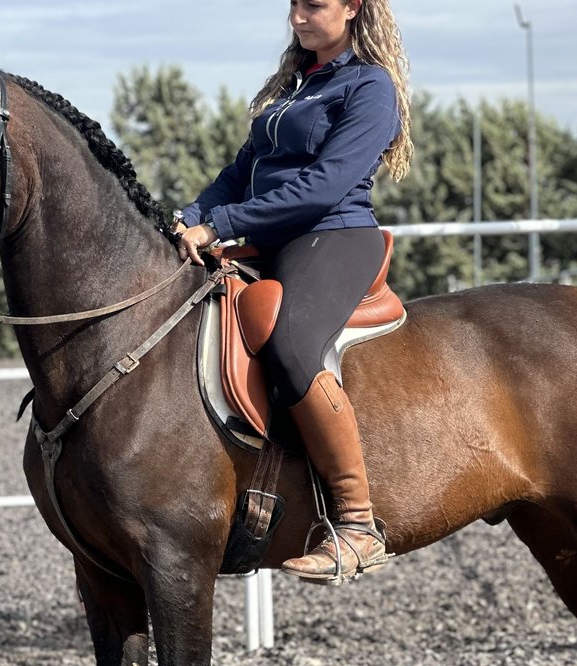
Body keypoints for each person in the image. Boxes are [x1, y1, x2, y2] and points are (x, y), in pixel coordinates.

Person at [176, 0, 413, 584]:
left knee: (291, 342)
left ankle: (357, 527)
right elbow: (236, 174)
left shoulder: (369, 85)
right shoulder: (292, 88)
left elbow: (326, 185)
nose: (298, 18)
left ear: (353, 7)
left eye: (314, 6)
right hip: (266, 235)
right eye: (294, 6)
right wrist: (187, 218)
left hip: (333, 234)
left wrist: (224, 224)